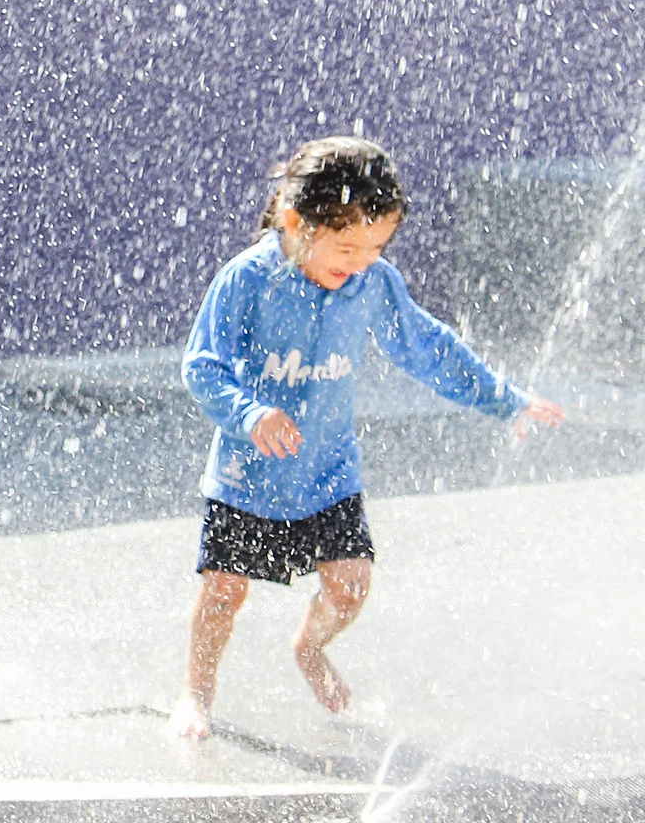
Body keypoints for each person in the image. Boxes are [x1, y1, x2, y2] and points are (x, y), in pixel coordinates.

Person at [169, 136, 564, 740]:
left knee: (351, 584)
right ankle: (195, 695)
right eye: (347, 245)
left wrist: (504, 398)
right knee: (224, 592)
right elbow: (202, 367)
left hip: (328, 471)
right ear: (295, 221)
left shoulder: (370, 283)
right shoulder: (247, 281)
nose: (358, 261)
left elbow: (427, 347)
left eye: (376, 246)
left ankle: (309, 645)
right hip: (248, 474)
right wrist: (250, 414)